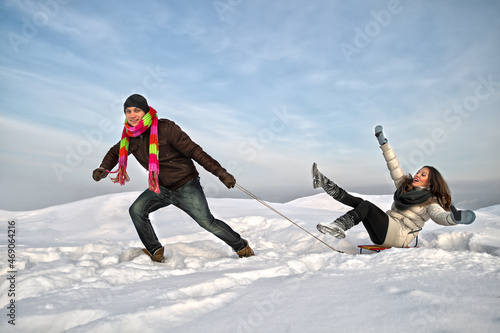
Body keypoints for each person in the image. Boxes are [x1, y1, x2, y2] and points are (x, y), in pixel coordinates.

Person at [93, 94, 254, 262]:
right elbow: (115, 152)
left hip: (186, 186)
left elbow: (195, 151)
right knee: (137, 210)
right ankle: (155, 250)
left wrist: (222, 173)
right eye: (128, 111)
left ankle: (241, 247)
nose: (132, 115)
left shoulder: (166, 129)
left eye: (137, 110)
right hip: (160, 187)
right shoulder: (130, 136)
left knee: (207, 222)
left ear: (146, 111)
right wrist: (103, 168)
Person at [313, 125, 476, 248]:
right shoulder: (405, 188)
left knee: (367, 206)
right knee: (361, 203)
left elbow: (439, 216)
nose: (418, 175)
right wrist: (384, 145)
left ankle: (339, 226)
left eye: (423, 174)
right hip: (383, 232)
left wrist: (454, 219)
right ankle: (325, 184)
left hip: (399, 236)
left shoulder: (431, 202)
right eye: (419, 172)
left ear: (431, 183)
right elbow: (394, 166)